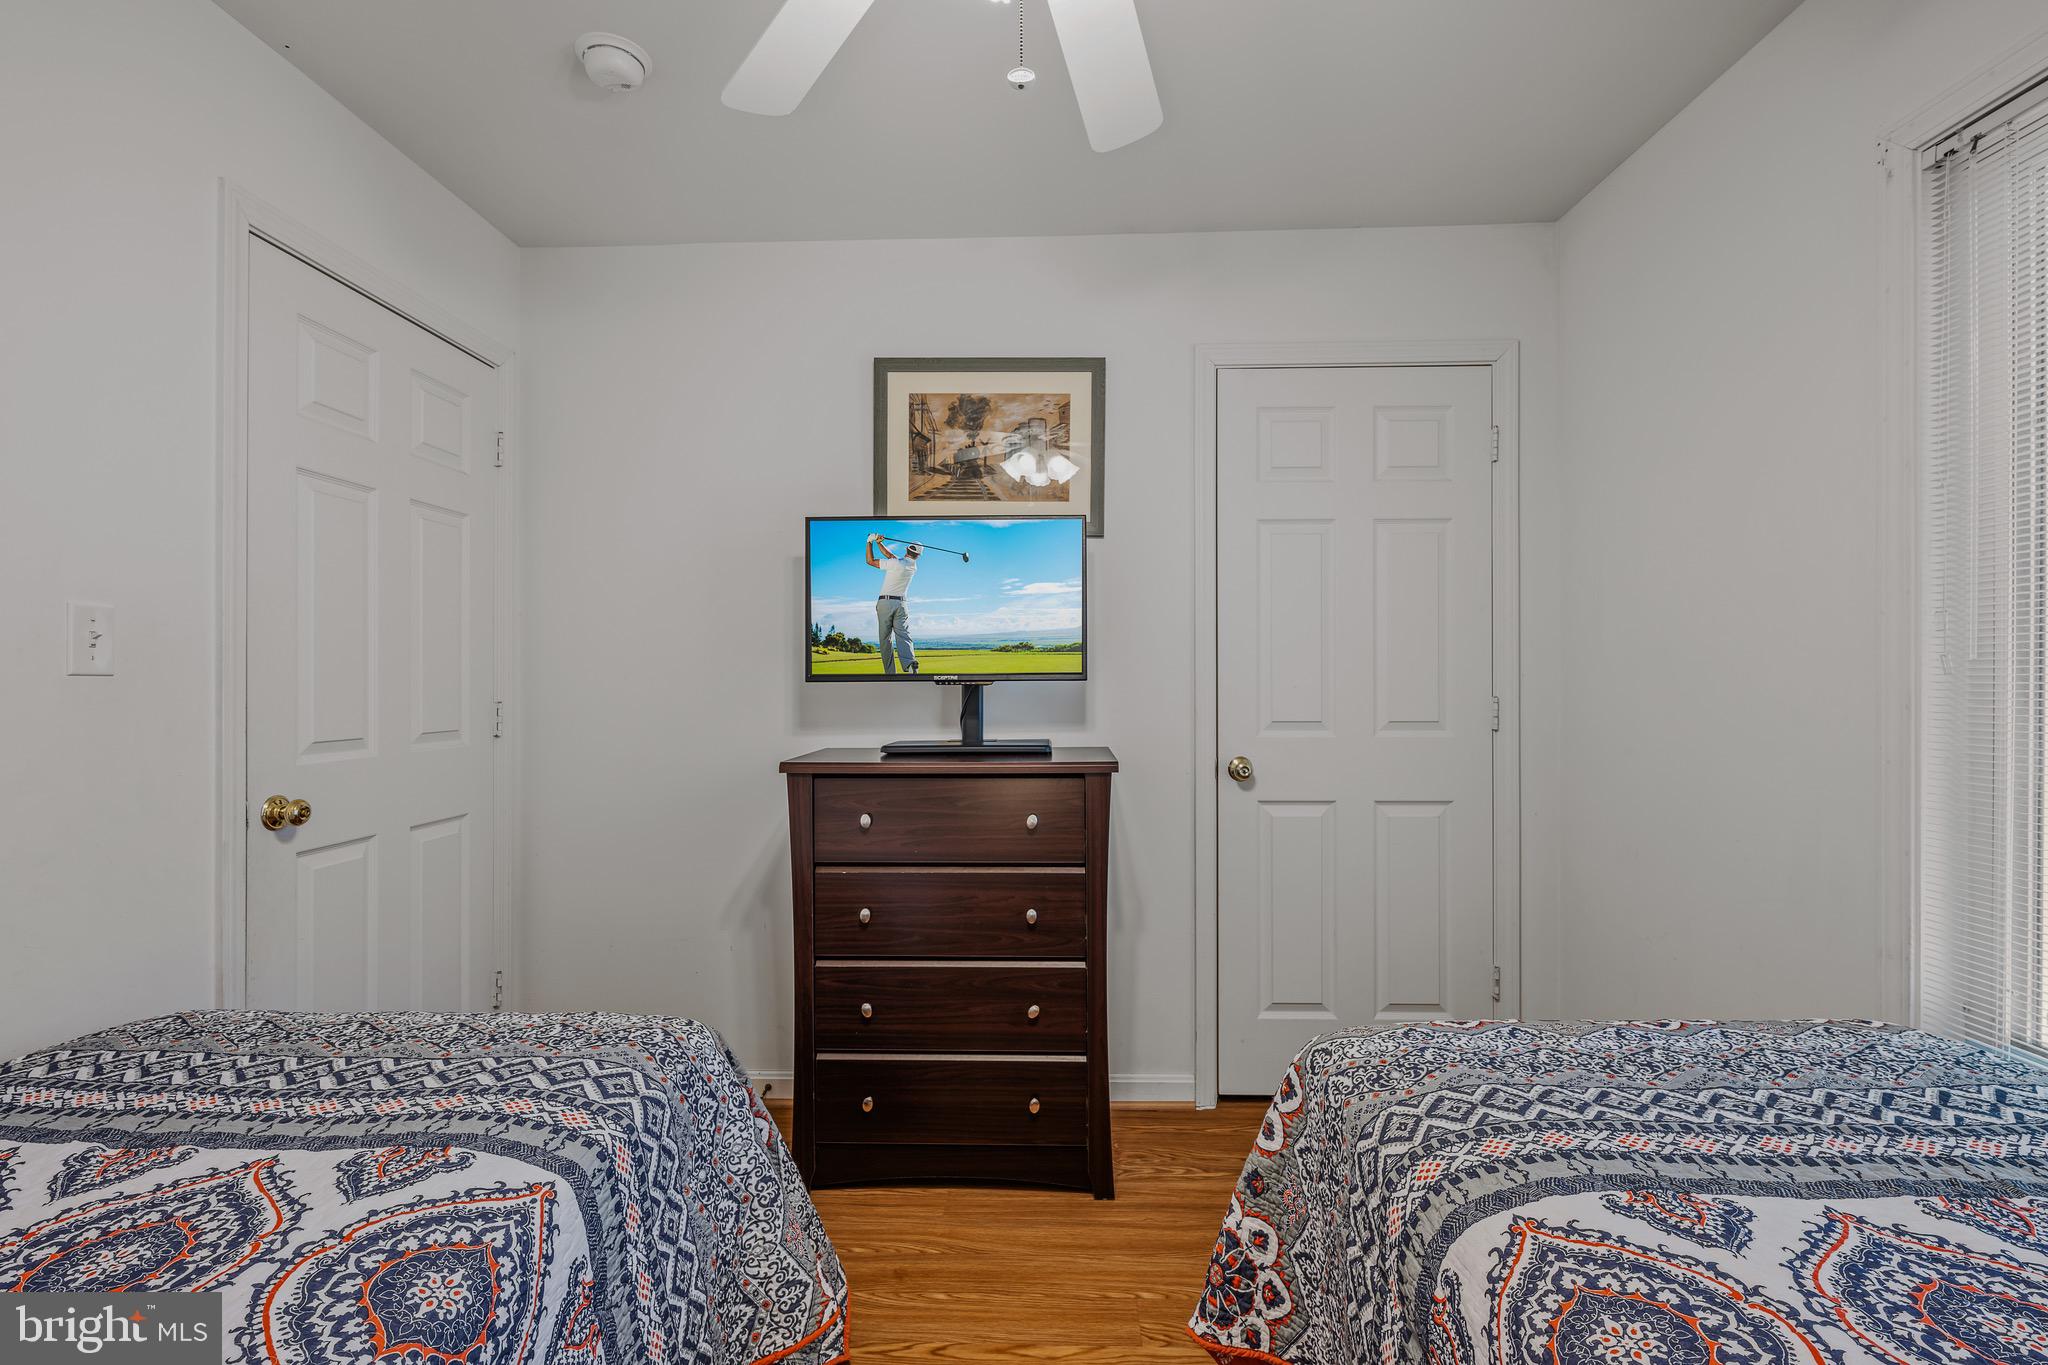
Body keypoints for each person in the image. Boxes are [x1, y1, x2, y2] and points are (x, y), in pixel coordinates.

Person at [865, 533, 921, 675]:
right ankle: (910, 663)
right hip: (902, 605)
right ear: (918, 555)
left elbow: (870, 561)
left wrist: (869, 542)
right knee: (903, 635)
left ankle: (890, 673)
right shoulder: (912, 566)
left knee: (885, 639)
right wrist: (879, 543)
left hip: (886, 603)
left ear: (907, 549)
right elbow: (891, 556)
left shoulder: (896, 563)